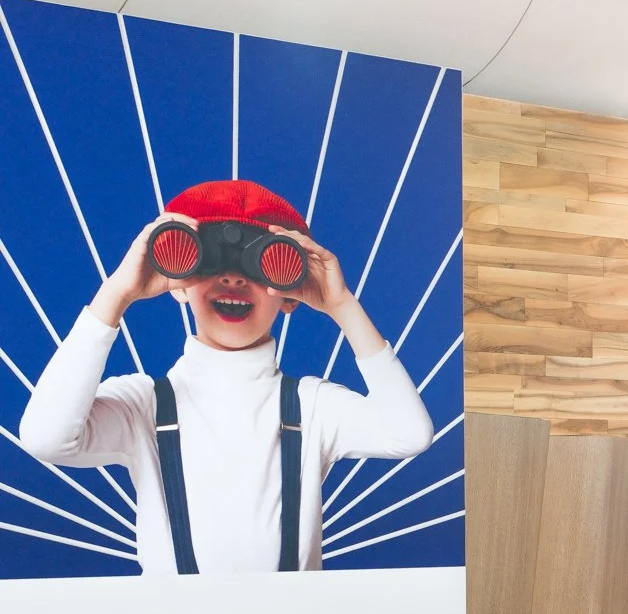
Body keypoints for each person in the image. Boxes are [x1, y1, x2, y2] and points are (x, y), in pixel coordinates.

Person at [19, 180, 434, 576]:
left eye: (262, 265)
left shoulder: (313, 406)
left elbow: (410, 434)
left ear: (291, 292)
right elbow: (46, 437)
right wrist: (117, 293)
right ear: (177, 284)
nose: (233, 279)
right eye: (210, 262)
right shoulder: (143, 404)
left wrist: (341, 304)